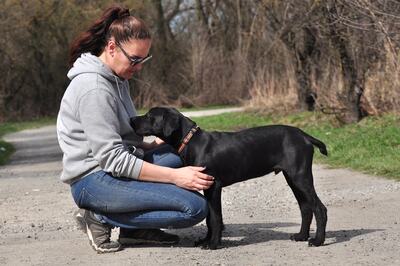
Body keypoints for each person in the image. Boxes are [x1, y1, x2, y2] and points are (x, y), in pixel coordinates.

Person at [56, 5, 214, 253]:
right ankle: (98, 217)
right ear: (111, 48)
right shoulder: (93, 89)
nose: (139, 67)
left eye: (144, 59)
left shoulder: (118, 78)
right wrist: (175, 178)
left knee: (176, 156)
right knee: (194, 208)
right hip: (92, 180)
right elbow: (112, 160)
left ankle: (134, 230)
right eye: (135, 60)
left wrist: (148, 145)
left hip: (111, 168)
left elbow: (121, 137)